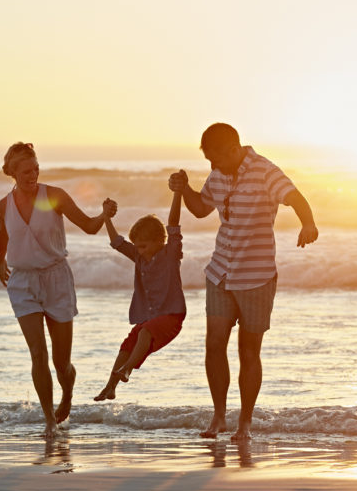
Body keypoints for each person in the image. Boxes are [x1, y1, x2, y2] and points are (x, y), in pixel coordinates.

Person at [169, 123, 318, 442]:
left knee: (248, 352)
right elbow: (199, 209)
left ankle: (244, 424)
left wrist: (309, 223)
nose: (212, 166)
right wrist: (184, 190)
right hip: (220, 271)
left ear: (233, 150)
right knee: (213, 345)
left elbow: (295, 197)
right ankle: (219, 416)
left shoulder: (266, 171)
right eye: (208, 160)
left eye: (216, 159)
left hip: (257, 276)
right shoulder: (218, 173)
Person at [0, 141, 116, 438]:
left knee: (61, 362)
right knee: (38, 353)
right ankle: (49, 419)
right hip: (22, 282)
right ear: (12, 172)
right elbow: (4, 232)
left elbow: (89, 227)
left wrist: (104, 215)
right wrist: (0, 260)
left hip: (56, 279)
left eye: (35, 168)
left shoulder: (54, 196)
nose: (32, 174)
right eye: (25, 171)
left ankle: (67, 395)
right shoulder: (4, 205)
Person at [93, 190, 186, 402]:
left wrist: (177, 194)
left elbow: (173, 224)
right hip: (151, 318)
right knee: (127, 345)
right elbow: (117, 242)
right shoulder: (139, 255)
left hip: (172, 317)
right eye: (137, 247)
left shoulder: (170, 254)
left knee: (144, 332)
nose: (140, 251)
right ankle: (110, 387)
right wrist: (106, 217)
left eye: (143, 246)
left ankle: (127, 371)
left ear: (159, 241)